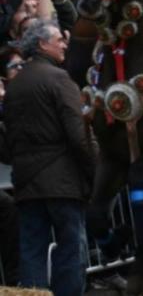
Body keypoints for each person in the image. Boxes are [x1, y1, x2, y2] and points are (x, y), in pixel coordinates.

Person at [0, 19, 95, 296]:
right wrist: (93, 170)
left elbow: (8, 141)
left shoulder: (14, 87)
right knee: (70, 248)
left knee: (32, 249)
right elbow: (78, 134)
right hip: (62, 181)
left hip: (27, 182)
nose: (64, 44)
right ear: (42, 44)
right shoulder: (59, 79)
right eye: (58, 40)